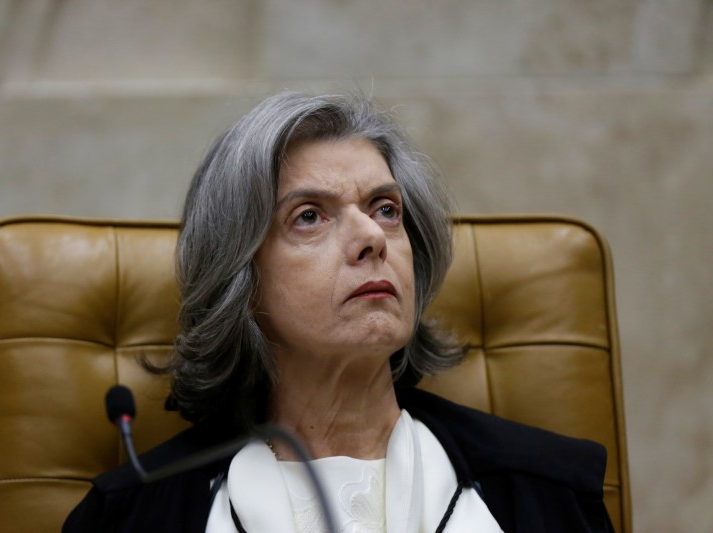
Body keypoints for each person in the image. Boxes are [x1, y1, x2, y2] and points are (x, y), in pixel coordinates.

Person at [63, 92, 613, 532]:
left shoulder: (548, 488)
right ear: (242, 279)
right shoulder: (133, 513)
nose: (372, 236)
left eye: (385, 208)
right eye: (309, 217)